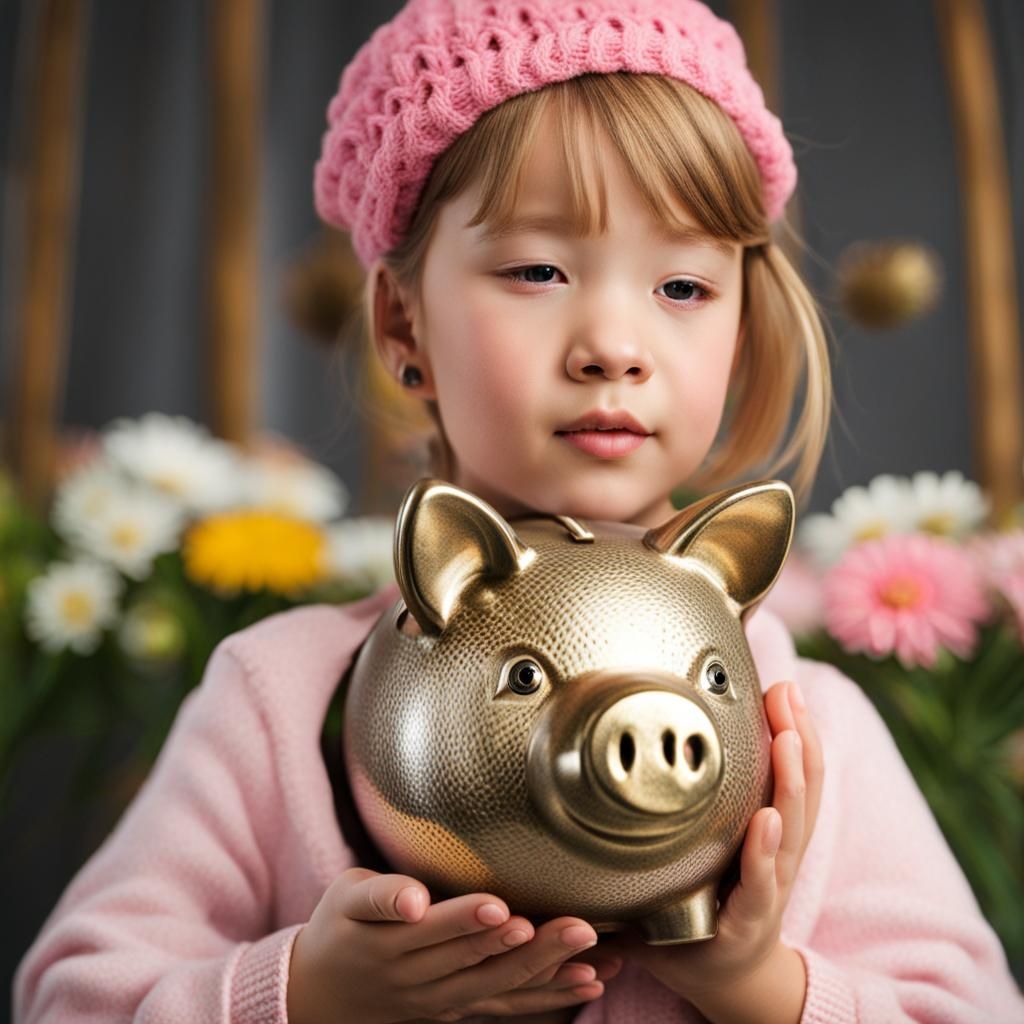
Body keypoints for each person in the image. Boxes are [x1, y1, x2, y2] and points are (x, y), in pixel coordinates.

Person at [14, 1, 1024, 1022]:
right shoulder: (278, 700)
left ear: (742, 320)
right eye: (537, 270)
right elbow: (70, 1001)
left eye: (681, 284)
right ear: (400, 319)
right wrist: (306, 991)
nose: (612, 345)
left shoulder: (801, 716)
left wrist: (762, 985)